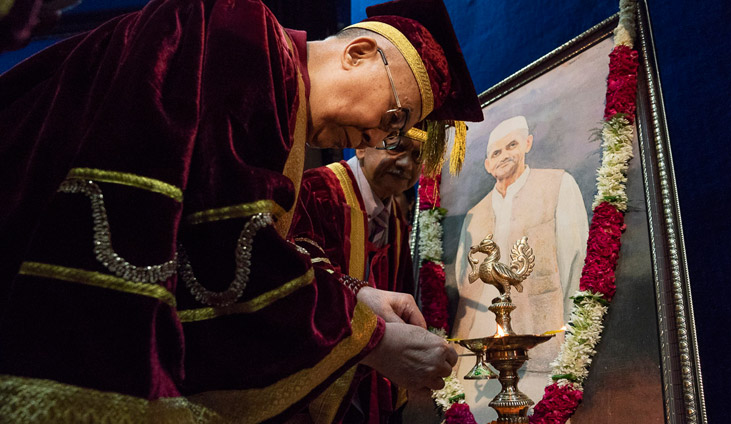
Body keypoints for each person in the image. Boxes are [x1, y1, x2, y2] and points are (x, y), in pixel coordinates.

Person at [0, 0, 483, 422]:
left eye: (394, 135)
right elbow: (227, 251)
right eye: (393, 118)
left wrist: (356, 297)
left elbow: (211, 233)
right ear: (358, 55)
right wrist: (371, 340)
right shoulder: (242, 29)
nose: (379, 140)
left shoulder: (279, 98)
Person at [452, 115, 588, 419]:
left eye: (511, 145)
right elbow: (465, 288)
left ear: (527, 144)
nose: (503, 156)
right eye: (495, 152)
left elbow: (575, 268)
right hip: (479, 368)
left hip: (541, 359)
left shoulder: (557, 186)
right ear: (487, 164)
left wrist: (569, 347)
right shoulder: (474, 214)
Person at [292, 127, 426, 423]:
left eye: (418, 155)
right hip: (313, 387)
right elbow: (295, 284)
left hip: (371, 385)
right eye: (395, 147)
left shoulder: (397, 220)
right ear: (363, 146)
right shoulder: (315, 191)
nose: (406, 164)